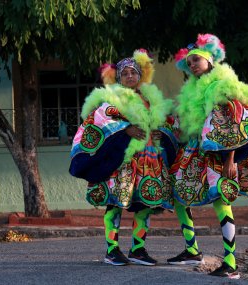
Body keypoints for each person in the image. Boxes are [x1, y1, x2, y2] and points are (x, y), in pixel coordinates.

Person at [168, 34, 248, 278]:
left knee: (221, 201)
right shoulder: (193, 90)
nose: (193, 64)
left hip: (220, 155)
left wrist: (231, 159)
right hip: (197, 151)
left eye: (197, 60)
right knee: (177, 194)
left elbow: (233, 123)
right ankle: (191, 250)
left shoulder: (220, 87)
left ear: (210, 61)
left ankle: (230, 263)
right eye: (190, 62)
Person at [69, 49, 179, 266]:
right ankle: (112, 250)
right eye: (125, 73)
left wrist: (162, 132)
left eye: (133, 72)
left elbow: (168, 122)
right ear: (118, 77)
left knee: (146, 203)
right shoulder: (112, 99)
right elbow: (99, 121)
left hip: (150, 159)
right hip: (123, 161)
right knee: (115, 203)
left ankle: (138, 249)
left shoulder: (150, 99)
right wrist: (125, 130)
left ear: (140, 76)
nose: (130, 76)